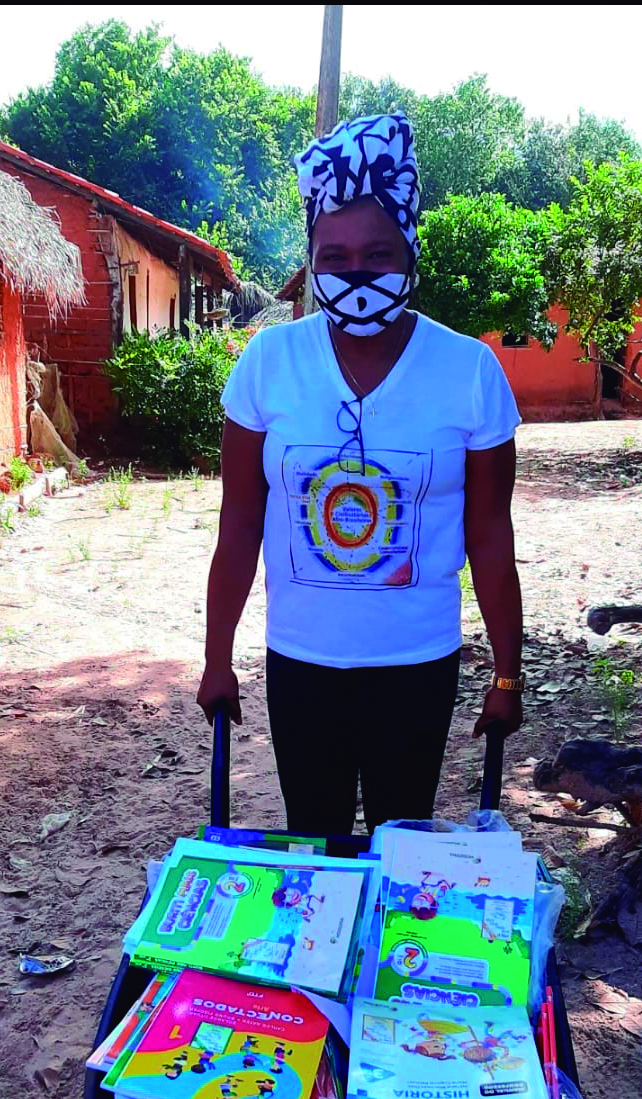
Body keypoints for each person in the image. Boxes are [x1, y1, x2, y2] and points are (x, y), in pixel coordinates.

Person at [197, 113, 525, 836]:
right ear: (310, 261)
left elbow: (491, 537)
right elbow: (240, 526)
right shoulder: (268, 364)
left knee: (399, 845)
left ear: (411, 250)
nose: (356, 274)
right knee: (312, 839)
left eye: (378, 253)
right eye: (334, 255)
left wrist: (507, 675)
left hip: (417, 664)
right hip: (300, 662)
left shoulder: (469, 372)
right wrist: (217, 660)